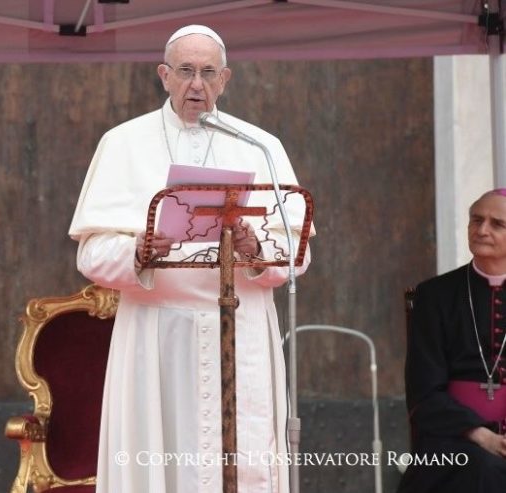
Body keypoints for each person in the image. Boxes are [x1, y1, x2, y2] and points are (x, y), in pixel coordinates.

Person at [68, 24, 312, 493]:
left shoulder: (262, 146)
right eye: (185, 71)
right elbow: (92, 253)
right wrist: (138, 251)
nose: (196, 84)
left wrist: (255, 250)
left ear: (225, 80)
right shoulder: (122, 143)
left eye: (207, 73)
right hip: (157, 332)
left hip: (242, 331)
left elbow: (297, 251)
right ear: (164, 75)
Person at [398, 189, 506, 492]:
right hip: (451, 438)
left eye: (497, 224)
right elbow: (424, 390)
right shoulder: (435, 295)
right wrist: (480, 434)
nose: (482, 230)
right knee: (482, 468)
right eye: (476, 220)